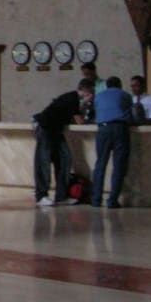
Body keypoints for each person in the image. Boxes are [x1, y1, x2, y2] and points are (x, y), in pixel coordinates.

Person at [32, 78, 95, 207]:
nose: (91, 96)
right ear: (84, 90)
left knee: (64, 159)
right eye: (90, 92)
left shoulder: (74, 101)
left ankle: (62, 195)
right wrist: (87, 105)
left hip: (56, 131)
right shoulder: (72, 98)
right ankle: (41, 196)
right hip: (45, 129)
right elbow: (79, 120)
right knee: (43, 162)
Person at [91, 76, 134, 209]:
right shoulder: (125, 95)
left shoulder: (98, 96)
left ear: (107, 86)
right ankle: (112, 200)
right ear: (120, 85)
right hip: (119, 128)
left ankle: (96, 199)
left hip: (102, 129)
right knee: (118, 165)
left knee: (100, 164)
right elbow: (129, 112)